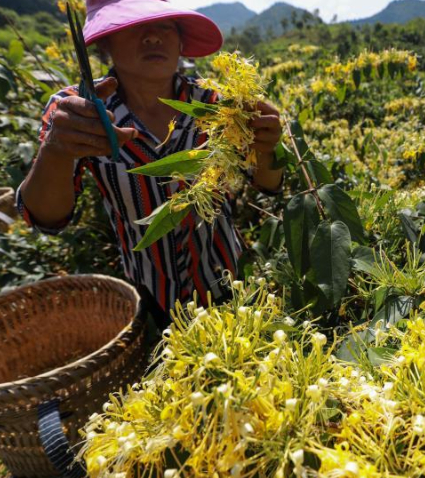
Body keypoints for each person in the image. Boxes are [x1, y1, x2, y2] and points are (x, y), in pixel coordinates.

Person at [16, 0, 284, 327]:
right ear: (105, 42)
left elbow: (268, 184)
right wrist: (57, 150)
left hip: (231, 281)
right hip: (152, 297)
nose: (153, 37)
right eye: (132, 26)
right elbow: (45, 217)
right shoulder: (78, 111)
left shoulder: (217, 104)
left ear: (181, 41)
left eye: (165, 25)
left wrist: (269, 148)